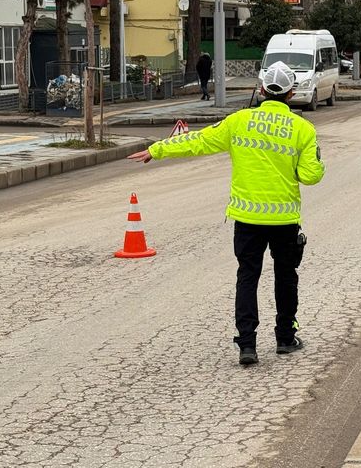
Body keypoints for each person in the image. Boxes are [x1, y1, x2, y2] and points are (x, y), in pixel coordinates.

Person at [128, 61, 325, 366]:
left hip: (247, 219)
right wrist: (311, 161)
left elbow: (198, 141)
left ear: (260, 90)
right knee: (286, 276)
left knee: (248, 276)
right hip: (284, 220)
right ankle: (285, 337)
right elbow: (311, 176)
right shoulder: (303, 129)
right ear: (291, 93)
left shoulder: (238, 121)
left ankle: (247, 345)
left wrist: (158, 149)